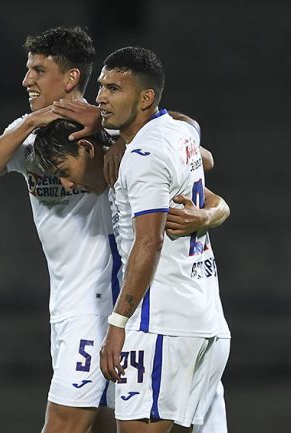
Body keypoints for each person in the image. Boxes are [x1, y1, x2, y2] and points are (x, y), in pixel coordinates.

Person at [0, 27, 225, 433]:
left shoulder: (111, 129)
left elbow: (195, 156)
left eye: (38, 69)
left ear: (69, 78)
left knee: (66, 424)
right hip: (69, 304)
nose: (26, 79)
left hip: (104, 306)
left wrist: (212, 212)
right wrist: (35, 119)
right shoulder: (29, 135)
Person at [96, 47, 231, 433]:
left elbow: (149, 243)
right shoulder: (180, 132)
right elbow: (193, 133)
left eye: (114, 89)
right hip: (207, 323)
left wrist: (118, 323)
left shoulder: (146, 155)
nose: (101, 97)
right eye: (101, 87)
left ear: (145, 98)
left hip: (160, 326)